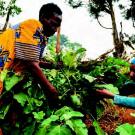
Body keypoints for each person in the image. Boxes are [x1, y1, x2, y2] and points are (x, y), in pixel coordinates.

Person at [0, 3, 62, 100]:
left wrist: (51, 65)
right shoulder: (33, 26)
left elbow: (32, 60)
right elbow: (31, 63)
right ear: (43, 17)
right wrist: (50, 90)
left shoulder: (42, 38)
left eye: (57, 26)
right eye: (53, 24)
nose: (55, 29)